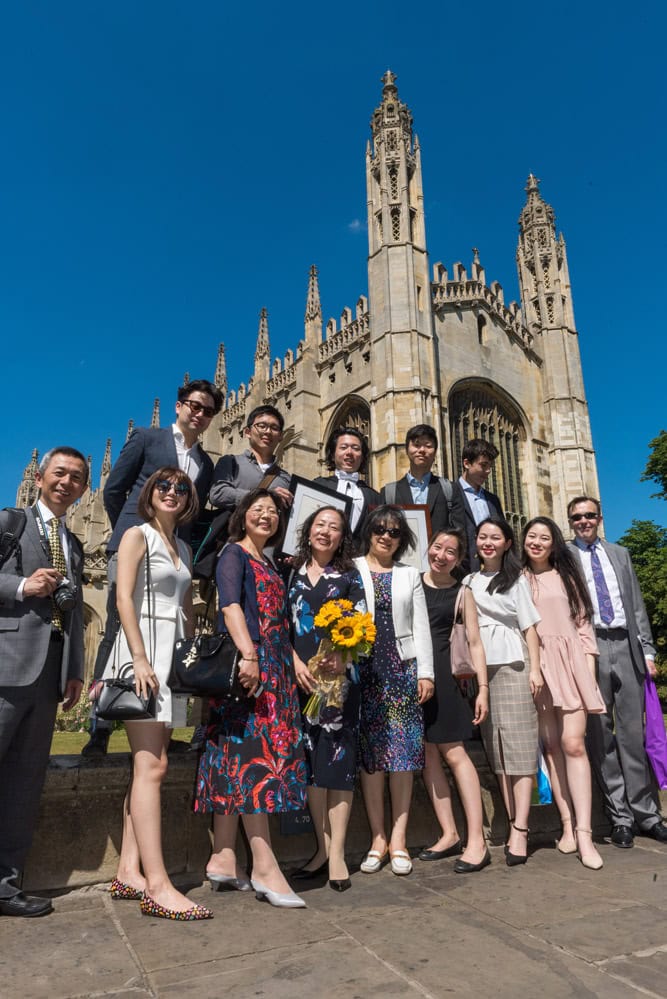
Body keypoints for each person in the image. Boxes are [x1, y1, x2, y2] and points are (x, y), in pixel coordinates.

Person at [83, 378, 222, 756]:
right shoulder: (147, 437)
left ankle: (169, 725)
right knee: (115, 626)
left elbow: (193, 514)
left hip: (174, 554)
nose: (199, 414)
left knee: (178, 638)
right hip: (137, 543)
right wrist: (134, 529)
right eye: (194, 405)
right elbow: (114, 490)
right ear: (180, 406)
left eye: (207, 410)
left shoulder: (205, 464)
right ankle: (100, 721)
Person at [101, 467, 212, 920]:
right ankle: (159, 885)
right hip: (144, 652)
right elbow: (124, 598)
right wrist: (140, 657)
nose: (172, 492)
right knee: (154, 765)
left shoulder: (183, 547)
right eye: (163, 486)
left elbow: (186, 608)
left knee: (148, 765)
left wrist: (190, 663)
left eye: (180, 488)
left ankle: (129, 870)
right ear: (150, 494)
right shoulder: (136, 535)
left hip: (173, 660)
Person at [194, 489, 308, 908]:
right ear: (242, 516)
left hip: (274, 666)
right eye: (258, 510)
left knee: (233, 757)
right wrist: (249, 656)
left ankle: (223, 857)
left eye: (273, 512)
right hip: (252, 667)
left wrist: (291, 661)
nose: (266, 517)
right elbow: (230, 609)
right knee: (253, 762)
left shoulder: (271, 562)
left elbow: (277, 620)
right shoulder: (234, 554)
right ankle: (264, 864)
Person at [0, 447, 88, 917]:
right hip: (6, 664)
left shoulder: (72, 544)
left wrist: (74, 668)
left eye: (76, 477)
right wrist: (20, 587)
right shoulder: (10, 522)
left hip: (48, 674)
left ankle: (6, 886)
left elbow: (72, 612)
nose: (66, 482)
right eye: (60, 473)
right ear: (38, 477)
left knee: (23, 785)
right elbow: (24, 589)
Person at [567, 496, 667, 847]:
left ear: (599, 518)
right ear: (570, 522)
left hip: (626, 644)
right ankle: (620, 816)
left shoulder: (620, 554)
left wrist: (648, 650)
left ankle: (647, 813)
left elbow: (636, 604)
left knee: (632, 733)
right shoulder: (565, 556)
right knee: (600, 734)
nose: (584, 521)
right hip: (588, 647)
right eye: (577, 517)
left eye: (589, 515)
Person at [287, 506, 366, 892]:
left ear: (341, 537)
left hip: (339, 685)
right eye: (320, 524)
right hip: (301, 682)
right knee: (312, 769)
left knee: (338, 767)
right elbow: (278, 626)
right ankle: (322, 849)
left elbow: (363, 626)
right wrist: (294, 660)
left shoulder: (349, 577)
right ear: (309, 530)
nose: (326, 532)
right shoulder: (292, 573)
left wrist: (343, 653)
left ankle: (336, 856)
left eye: (334, 527)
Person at [354, 505, 434, 876]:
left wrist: (426, 674)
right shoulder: (352, 569)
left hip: (402, 669)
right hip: (365, 669)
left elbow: (420, 626)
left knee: (402, 759)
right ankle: (378, 838)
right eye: (380, 530)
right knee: (372, 760)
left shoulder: (408, 574)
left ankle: (399, 839)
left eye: (395, 532)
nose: (386, 536)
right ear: (369, 531)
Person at [522, 516, 606, 870]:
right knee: (552, 747)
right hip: (539, 668)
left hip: (571, 665)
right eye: (531, 536)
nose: (537, 542)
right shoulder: (519, 579)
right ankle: (567, 825)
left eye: (544, 537)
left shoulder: (568, 576)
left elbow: (585, 627)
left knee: (574, 744)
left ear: (554, 543)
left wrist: (588, 676)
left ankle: (585, 833)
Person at [464, 516, 542, 866]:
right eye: (483, 537)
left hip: (513, 664)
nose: (488, 542)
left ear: (508, 544)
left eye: (496, 537)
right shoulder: (467, 581)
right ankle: (512, 821)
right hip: (480, 669)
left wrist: (535, 669)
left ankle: (521, 829)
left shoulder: (516, 580)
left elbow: (530, 629)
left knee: (521, 746)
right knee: (495, 747)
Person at [420, 528, 491, 874]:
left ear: (459, 559)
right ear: (428, 548)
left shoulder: (462, 593)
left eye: (451, 551)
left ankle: (476, 839)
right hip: (415, 676)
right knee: (428, 752)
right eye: (437, 547)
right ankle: (449, 833)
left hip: (446, 677)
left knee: (454, 752)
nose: (442, 555)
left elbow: (475, 643)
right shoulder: (412, 582)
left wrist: (483, 688)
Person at [380, 424, 465, 537]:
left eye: (428, 446)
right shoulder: (388, 493)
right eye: (416, 445)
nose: (422, 450)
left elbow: (459, 533)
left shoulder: (450, 489)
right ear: (407, 450)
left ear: (435, 452)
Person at [209, 405, 293, 514]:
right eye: (262, 426)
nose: (268, 431)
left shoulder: (285, 478)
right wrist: (264, 496)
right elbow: (218, 493)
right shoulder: (231, 462)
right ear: (247, 432)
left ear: (281, 436)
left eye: (274, 428)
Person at [314, 427, 380, 549]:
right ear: (333, 455)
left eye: (356, 448)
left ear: (362, 457)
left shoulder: (374, 497)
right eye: (343, 447)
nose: (349, 452)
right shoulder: (318, 486)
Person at [452, 439, 504, 574]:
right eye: (483, 465)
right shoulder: (449, 494)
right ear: (467, 463)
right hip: (460, 573)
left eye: (490, 466)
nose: (488, 471)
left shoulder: (493, 500)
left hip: (492, 574)